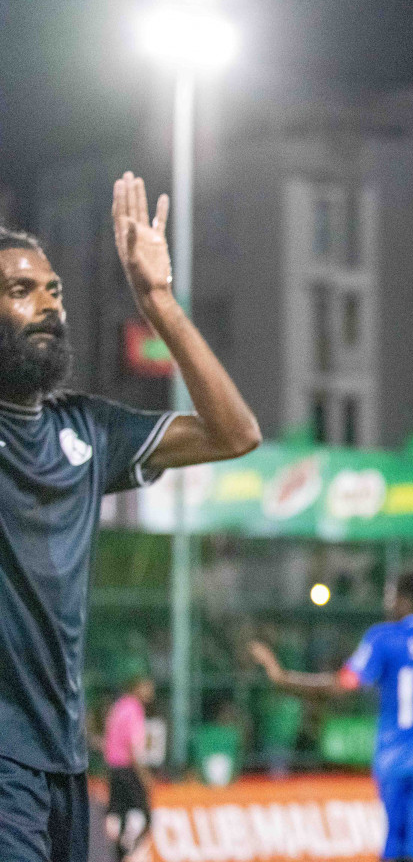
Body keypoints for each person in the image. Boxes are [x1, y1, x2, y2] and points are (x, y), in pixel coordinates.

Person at [0, 174, 261, 862]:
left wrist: (158, 301)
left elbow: (234, 434)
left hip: (62, 760)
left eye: (53, 290)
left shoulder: (86, 430)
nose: (47, 306)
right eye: (20, 291)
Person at [249, 571, 413, 862]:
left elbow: (342, 685)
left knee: (396, 852)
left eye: (392, 597)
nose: (389, 605)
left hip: (394, 760)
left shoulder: (384, 638)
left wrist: (282, 678)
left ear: (406, 600)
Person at [101, 674, 155, 862]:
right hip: (128, 769)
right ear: (137, 686)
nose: (151, 690)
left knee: (120, 813)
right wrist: (145, 775)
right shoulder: (134, 708)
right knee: (146, 816)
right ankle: (129, 853)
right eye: (147, 685)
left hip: (114, 770)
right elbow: (134, 747)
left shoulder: (119, 706)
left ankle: (120, 852)